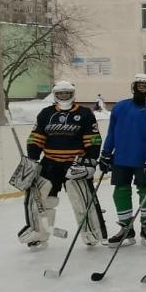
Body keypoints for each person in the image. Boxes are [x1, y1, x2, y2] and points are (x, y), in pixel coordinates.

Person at [18, 80, 106, 250]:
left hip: (75, 164)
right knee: (40, 201)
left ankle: (92, 234)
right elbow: (36, 137)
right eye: (60, 94)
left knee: (82, 201)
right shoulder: (46, 113)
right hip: (49, 164)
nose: (64, 96)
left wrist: (90, 161)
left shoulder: (85, 113)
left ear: (72, 94)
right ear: (55, 95)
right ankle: (39, 234)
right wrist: (33, 156)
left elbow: (93, 139)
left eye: (67, 93)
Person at [99, 73, 146, 247]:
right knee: (120, 191)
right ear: (133, 87)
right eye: (138, 85)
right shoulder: (120, 107)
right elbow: (112, 131)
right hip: (121, 158)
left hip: (144, 159)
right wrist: (105, 152)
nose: (141, 88)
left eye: (145, 86)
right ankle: (126, 227)